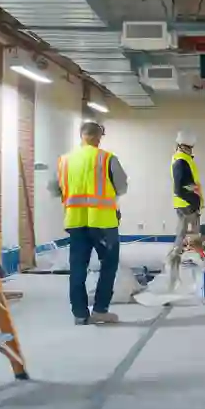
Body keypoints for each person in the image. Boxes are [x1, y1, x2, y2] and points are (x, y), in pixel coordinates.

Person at [49, 120, 128, 325]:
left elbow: (53, 188)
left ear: (81, 136)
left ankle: (80, 314)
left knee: (77, 268)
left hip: (76, 222)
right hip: (103, 223)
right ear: (97, 137)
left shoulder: (64, 160)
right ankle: (101, 309)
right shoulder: (107, 158)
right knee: (108, 265)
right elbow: (122, 188)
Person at [167, 129, 203, 288]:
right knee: (188, 240)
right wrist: (194, 201)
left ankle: (175, 273)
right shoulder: (181, 161)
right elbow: (180, 188)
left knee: (184, 239)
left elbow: (189, 184)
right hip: (187, 206)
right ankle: (174, 273)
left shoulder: (183, 159)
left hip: (186, 205)